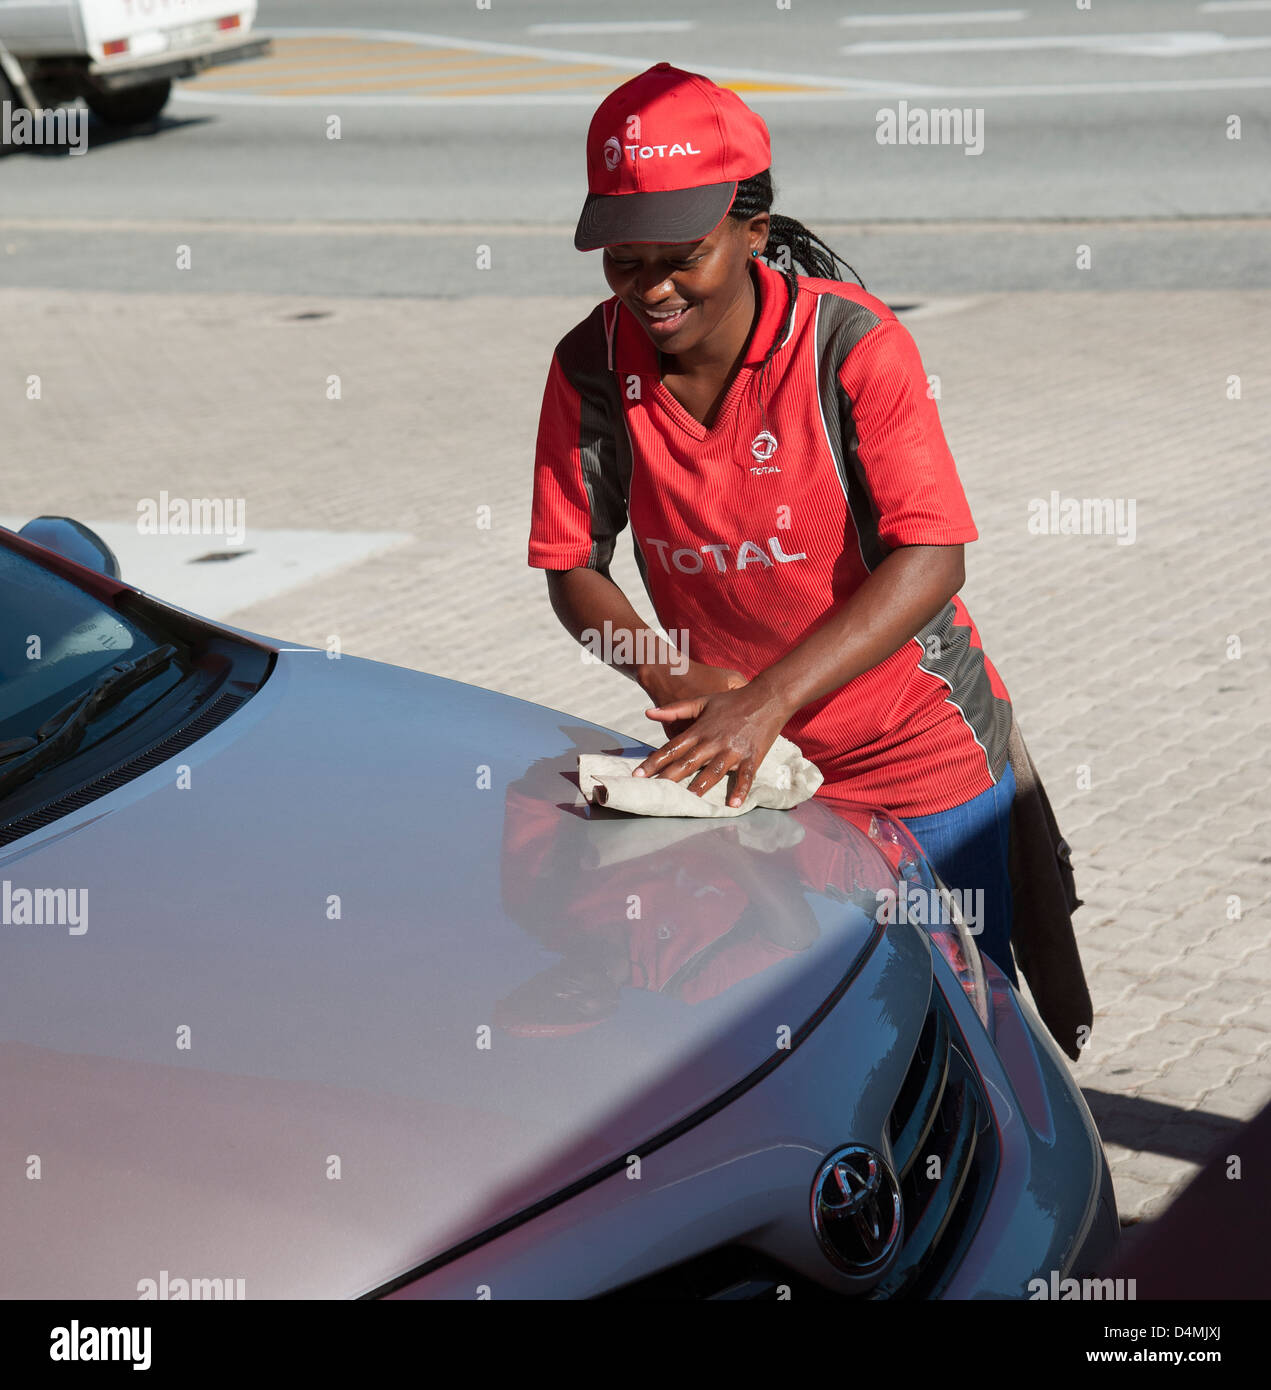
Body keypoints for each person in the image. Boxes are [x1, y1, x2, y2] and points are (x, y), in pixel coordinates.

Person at [527, 62, 1019, 986]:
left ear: (752, 232)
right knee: (786, 1017)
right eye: (624, 260)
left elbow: (931, 557)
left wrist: (766, 699)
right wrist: (672, 673)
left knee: (961, 1015)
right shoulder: (589, 365)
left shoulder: (851, 346)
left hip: (914, 765)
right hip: (737, 773)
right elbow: (571, 568)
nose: (652, 287)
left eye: (683, 255)